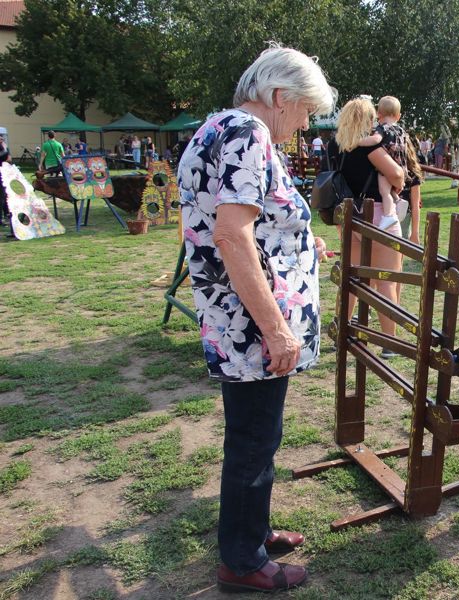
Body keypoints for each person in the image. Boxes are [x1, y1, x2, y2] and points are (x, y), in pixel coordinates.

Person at [176, 44, 335, 594]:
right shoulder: (249, 133)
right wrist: (276, 329)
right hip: (250, 328)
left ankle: (254, 532)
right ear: (279, 96)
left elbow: (245, 224)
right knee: (253, 441)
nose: (305, 124)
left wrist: (301, 245)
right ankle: (242, 562)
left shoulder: (218, 128)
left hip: (235, 320)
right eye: (306, 110)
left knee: (256, 437)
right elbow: (231, 235)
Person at [331, 97, 405, 354]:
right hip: (377, 214)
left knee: (351, 279)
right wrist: (397, 184)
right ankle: (389, 342)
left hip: (348, 214)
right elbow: (396, 174)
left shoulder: (335, 144)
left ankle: (341, 333)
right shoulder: (370, 146)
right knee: (386, 280)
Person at [356, 95, 409, 230]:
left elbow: (375, 140)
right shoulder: (401, 130)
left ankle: (389, 215)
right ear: (398, 116)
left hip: (386, 166)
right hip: (400, 165)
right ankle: (398, 200)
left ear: (378, 114)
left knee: (384, 192)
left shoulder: (382, 128)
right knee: (390, 190)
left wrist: (358, 142)